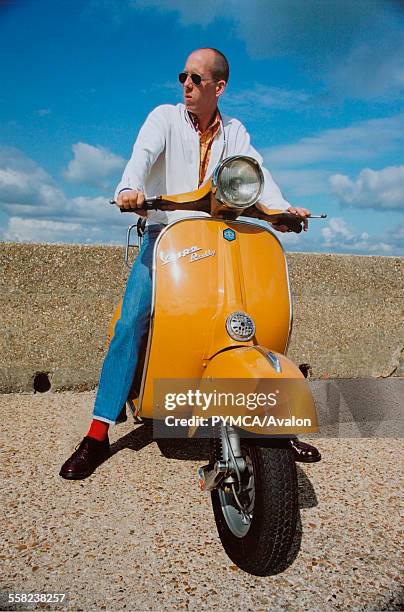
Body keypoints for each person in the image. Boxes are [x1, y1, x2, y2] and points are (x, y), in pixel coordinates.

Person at [60, 48, 321, 480]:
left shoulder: (234, 131)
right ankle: (97, 432)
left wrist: (283, 209)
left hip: (217, 238)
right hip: (166, 237)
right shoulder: (164, 118)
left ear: (218, 87)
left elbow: (257, 173)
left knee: (255, 318)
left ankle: (273, 422)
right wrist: (129, 188)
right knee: (132, 321)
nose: (186, 84)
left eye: (196, 79)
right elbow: (141, 157)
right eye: (183, 76)